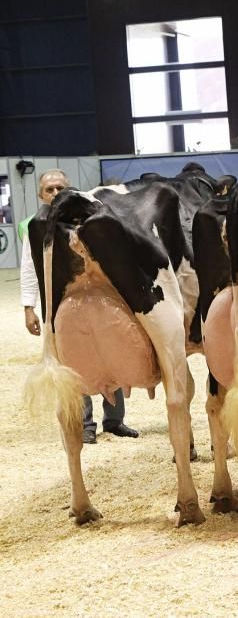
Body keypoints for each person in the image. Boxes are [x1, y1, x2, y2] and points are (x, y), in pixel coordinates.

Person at [20, 169, 138, 444]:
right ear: (40, 195)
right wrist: (29, 307)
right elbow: (29, 267)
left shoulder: (87, 218)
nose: (55, 193)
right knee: (74, 361)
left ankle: (114, 420)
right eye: (49, 189)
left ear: (69, 188)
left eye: (60, 187)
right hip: (62, 305)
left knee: (112, 353)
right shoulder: (37, 228)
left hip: (99, 299)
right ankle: (85, 424)